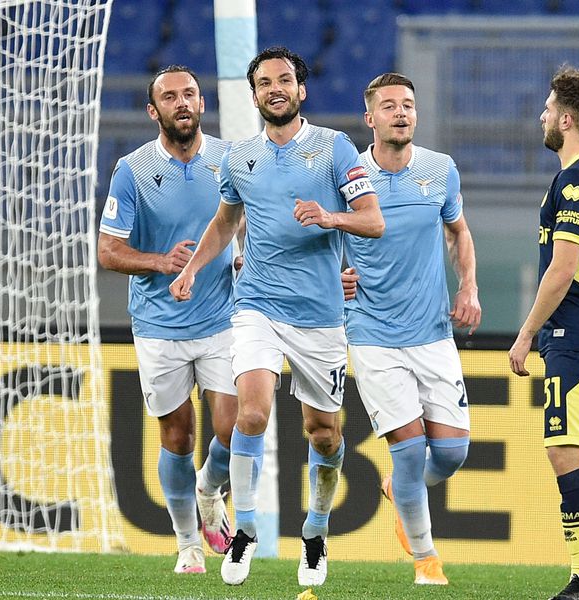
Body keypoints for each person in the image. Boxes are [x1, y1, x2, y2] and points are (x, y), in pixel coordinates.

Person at [169, 46, 384, 587]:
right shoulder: (240, 157)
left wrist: (327, 216)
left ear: (301, 90)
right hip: (256, 305)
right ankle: (244, 531)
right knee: (252, 413)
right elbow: (224, 222)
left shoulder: (335, 149)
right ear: (255, 93)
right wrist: (194, 268)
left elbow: (373, 220)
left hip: (320, 314)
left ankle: (315, 532)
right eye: (264, 82)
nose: (275, 89)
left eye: (284, 80)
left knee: (325, 434)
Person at [97, 65, 237, 575]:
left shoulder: (229, 160)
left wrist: (246, 256)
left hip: (223, 318)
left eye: (190, 94)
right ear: (153, 111)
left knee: (237, 425)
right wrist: (161, 261)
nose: (182, 103)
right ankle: (188, 547)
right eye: (170, 97)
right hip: (160, 324)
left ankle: (208, 490)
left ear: (202, 104)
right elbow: (108, 251)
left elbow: (248, 221)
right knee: (177, 436)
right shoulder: (132, 170)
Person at [342, 73, 481, 586]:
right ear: (370, 117)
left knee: (450, 451)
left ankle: (399, 489)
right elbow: (318, 238)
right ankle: (427, 561)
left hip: (432, 331)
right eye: (389, 106)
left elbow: (459, 232)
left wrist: (468, 286)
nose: (401, 113)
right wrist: (335, 276)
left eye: (408, 105)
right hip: (372, 333)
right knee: (407, 444)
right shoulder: (347, 174)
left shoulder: (440, 170)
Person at [509, 65, 579, 600]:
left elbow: (563, 266)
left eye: (550, 107)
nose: (543, 115)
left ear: (568, 118)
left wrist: (526, 332)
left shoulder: (575, 179)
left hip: (573, 330)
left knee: (564, 449)